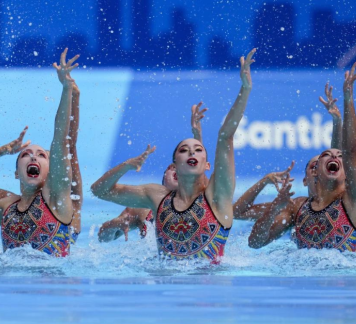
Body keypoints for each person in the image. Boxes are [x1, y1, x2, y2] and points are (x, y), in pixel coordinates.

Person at [91, 49, 256, 263]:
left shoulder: (217, 197)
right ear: (174, 165)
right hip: (166, 290)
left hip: (212, 291)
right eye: (184, 150)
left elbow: (225, 136)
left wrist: (245, 88)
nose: (191, 152)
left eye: (197, 150)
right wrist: (126, 166)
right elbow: (99, 191)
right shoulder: (156, 197)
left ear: (207, 164)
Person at [0, 49, 79, 257]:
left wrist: (66, 88)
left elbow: (61, 139)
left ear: (51, 171)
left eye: (42, 155)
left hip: (52, 285)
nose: (33, 156)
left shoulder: (57, 198)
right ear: (16, 172)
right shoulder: (6, 207)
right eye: (25, 154)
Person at [248, 63, 356, 252]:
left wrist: (348, 98)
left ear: (348, 174)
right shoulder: (297, 207)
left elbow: (351, 150)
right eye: (326, 155)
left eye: (339, 156)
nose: (334, 156)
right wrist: (273, 209)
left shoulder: (353, 201)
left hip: (345, 278)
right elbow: (255, 243)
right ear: (315, 171)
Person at [97, 103, 206, 242]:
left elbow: (199, 174)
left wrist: (198, 136)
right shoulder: (144, 207)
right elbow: (103, 237)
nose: (176, 170)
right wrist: (116, 224)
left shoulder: (206, 200)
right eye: (172, 167)